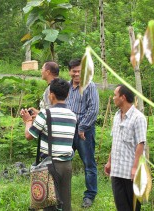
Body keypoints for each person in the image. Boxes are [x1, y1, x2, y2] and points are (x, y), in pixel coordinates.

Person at [21, 78, 77, 211]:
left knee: (50, 203)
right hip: (67, 164)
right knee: (65, 203)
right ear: (68, 95)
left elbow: (29, 135)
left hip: (51, 166)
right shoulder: (72, 115)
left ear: (50, 95)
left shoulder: (46, 114)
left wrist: (28, 121)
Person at [104, 84, 146, 211]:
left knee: (133, 206)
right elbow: (115, 141)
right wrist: (110, 161)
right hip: (117, 170)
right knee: (121, 205)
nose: (113, 98)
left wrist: (135, 168)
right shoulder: (117, 116)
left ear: (123, 97)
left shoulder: (138, 118)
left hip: (130, 172)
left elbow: (141, 143)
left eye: (115, 95)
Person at [65, 58, 99, 208]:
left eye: (80, 71)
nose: (77, 74)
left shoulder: (89, 86)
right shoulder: (66, 86)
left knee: (88, 163)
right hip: (68, 130)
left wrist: (82, 127)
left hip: (84, 131)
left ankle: (89, 195)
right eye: (74, 71)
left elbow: (93, 110)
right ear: (70, 71)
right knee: (63, 160)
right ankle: (61, 192)